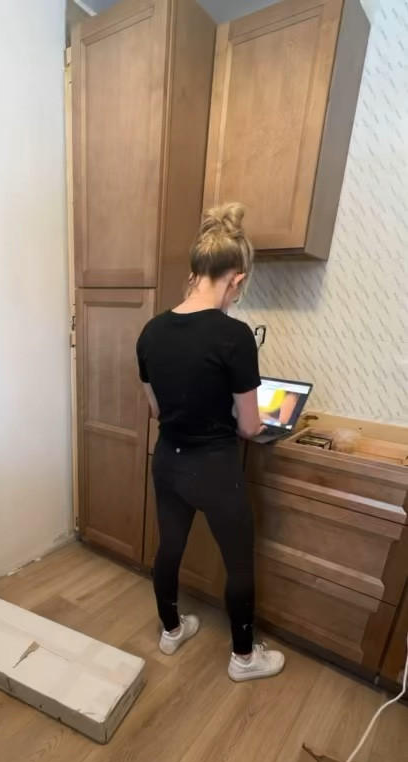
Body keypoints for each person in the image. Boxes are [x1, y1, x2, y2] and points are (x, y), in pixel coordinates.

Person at [136, 203, 285, 682]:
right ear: (235, 279)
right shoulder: (235, 336)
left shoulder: (151, 332)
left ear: (194, 271)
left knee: (169, 547)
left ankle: (172, 629)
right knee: (239, 561)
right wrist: (265, 423)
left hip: (168, 462)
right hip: (215, 470)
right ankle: (244, 658)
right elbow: (247, 426)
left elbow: (156, 409)